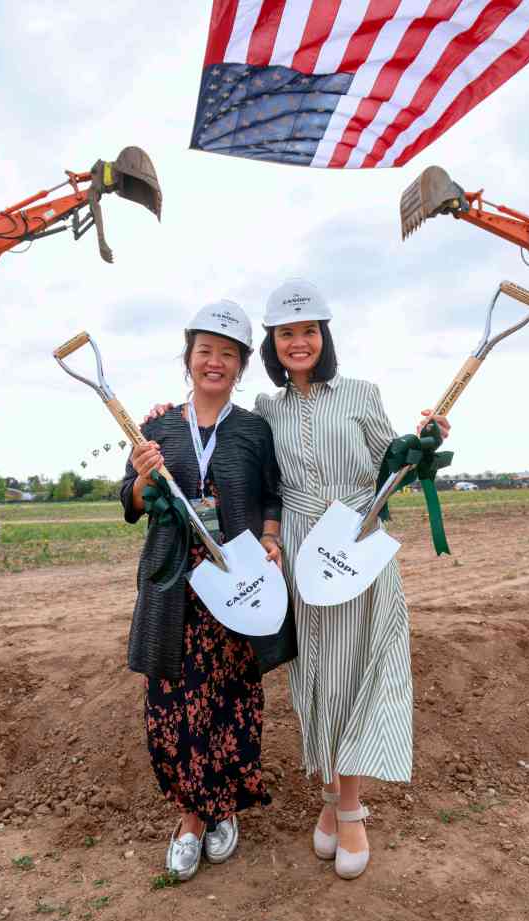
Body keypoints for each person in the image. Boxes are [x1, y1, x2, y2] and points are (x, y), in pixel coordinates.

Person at [145, 279, 450, 881]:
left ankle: (350, 807)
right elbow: (249, 465)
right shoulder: (267, 410)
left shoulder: (362, 394)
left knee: (362, 671)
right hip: (299, 553)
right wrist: (161, 416)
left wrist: (423, 442)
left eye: (309, 331)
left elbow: (394, 463)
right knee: (317, 679)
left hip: (354, 542)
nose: (299, 342)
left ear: (324, 336)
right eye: (286, 333)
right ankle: (330, 801)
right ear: (272, 344)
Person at [120, 300, 297, 882]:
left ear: (241, 365)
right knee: (173, 705)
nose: (214, 362)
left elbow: (271, 494)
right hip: (176, 587)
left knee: (231, 698)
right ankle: (191, 819)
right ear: (188, 358)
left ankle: (223, 809)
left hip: (234, 585)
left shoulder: (252, 429)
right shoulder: (157, 428)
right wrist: (144, 475)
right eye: (205, 351)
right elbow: (131, 502)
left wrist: (270, 537)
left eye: (227, 353)